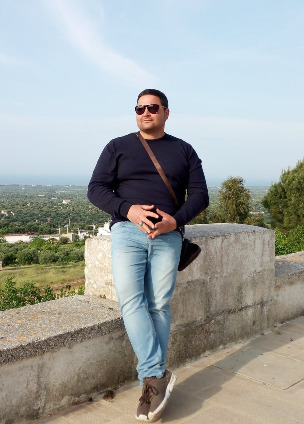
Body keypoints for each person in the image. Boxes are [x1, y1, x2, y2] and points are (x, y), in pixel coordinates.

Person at [87, 89, 209, 422]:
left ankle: (152, 384)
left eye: (152, 107)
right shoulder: (117, 147)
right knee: (130, 300)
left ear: (166, 112)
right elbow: (96, 189)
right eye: (139, 108)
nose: (145, 112)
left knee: (158, 304)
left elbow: (200, 195)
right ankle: (155, 375)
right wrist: (128, 210)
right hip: (128, 231)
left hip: (168, 235)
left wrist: (175, 221)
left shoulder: (183, 150)